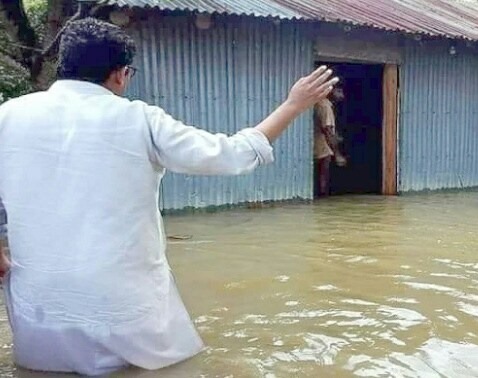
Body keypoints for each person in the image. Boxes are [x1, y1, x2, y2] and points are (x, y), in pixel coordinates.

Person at [0, 18, 337, 376]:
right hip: (123, 303)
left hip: (39, 305)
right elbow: (230, 155)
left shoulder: (7, 117)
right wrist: (292, 105)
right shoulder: (138, 120)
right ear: (120, 74)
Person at [313, 86, 347, 197]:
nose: (342, 95)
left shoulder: (321, 103)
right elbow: (328, 130)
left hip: (320, 144)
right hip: (322, 147)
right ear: (330, 90)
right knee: (323, 175)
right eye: (339, 91)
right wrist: (337, 154)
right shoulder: (325, 106)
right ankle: (323, 199)